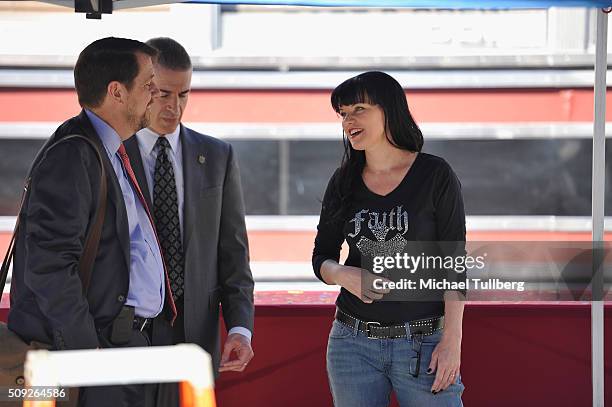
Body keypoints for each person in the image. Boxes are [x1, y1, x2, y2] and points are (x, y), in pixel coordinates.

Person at [8, 37, 169, 407]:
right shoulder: (74, 154)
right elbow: (49, 265)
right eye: (147, 84)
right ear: (116, 91)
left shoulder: (103, 148)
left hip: (117, 347)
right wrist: (87, 352)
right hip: (96, 355)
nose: (156, 93)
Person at [312, 71, 466, 407]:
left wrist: (452, 341)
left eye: (359, 109)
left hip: (425, 344)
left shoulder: (435, 175)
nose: (348, 120)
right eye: (343, 113)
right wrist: (344, 275)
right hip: (352, 345)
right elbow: (320, 257)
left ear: (388, 110)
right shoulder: (343, 182)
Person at [124, 37, 254, 405]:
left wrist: (241, 329)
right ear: (144, 88)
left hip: (195, 332)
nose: (174, 107)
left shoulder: (218, 155)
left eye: (184, 95)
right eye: (164, 93)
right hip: (127, 332)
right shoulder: (112, 152)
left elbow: (234, 253)